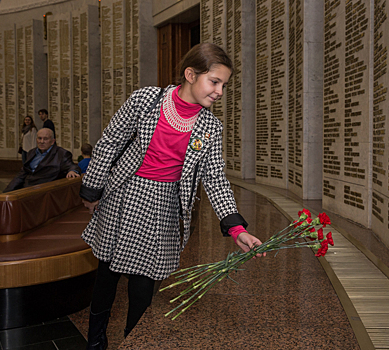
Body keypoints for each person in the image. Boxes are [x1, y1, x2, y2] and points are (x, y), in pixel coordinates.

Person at [79, 43, 265, 349]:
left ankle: (133, 342)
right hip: (124, 195)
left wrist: (236, 227)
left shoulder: (210, 127)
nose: (219, 91)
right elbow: (111, 142)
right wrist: (92, 187)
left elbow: (215, 178)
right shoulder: (146, 100)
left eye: (224, 85)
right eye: (214, 81)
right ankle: (95, 342)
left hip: (164, 207)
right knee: (106, 276)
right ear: (190, 74)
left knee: (143, 286)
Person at [4, 128, 81, 192]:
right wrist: (7, 192)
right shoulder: (31, 152)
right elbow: (22, 174)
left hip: (44, 191)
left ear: (52, 141)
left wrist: (72, 171)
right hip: (26, 188)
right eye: (39, 138)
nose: (41, 142)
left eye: (45, 139)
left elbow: (71, 166)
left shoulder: (61, 154)